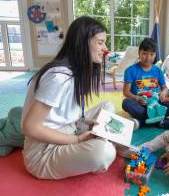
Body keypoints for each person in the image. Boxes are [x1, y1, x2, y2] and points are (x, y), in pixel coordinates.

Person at [21, 16, 117, 180]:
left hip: (70, 127)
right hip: (44, 152)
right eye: (100, 42)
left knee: (107, 106)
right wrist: (77, 139)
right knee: (104, 153)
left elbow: (65, 111)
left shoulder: (74, 71)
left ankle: (110, 140)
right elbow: (30, 127)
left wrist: (85, 122)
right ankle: (106, 143)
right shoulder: (58, 78)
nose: (105, 49)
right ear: (83, 43)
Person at [122, 37, 169, 130]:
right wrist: (137, 98)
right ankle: (160, 121)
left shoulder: (158, 70)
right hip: (139, 104)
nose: (148, 57)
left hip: (155, 103)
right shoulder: (130, 70)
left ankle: (141, 122)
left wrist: (163, 93)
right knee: (126, 103)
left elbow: (164, 88)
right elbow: (126, 92)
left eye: (151, 54)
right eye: (144, 54)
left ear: (155, 55)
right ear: (139, 53)